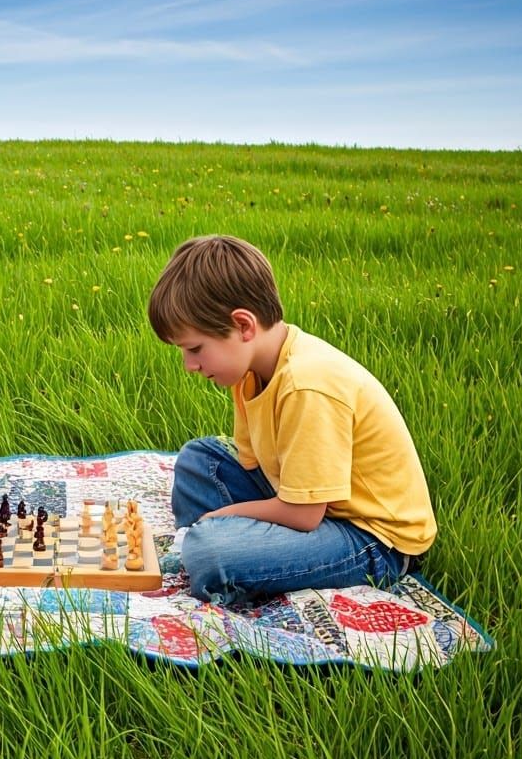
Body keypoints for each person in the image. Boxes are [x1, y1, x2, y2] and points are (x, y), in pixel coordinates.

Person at [147, 235, 436, 606]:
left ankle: (223, 560)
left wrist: (223, 517)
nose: (189, 366)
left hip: (372, 540)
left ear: (244, 326)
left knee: (210, 551)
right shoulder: (252, 371)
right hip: (312, 503)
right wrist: (229, 517)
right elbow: (254, 467)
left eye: (195, 348)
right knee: (198, 459)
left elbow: (303, 515)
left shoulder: (306, 384)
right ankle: (235, 551)